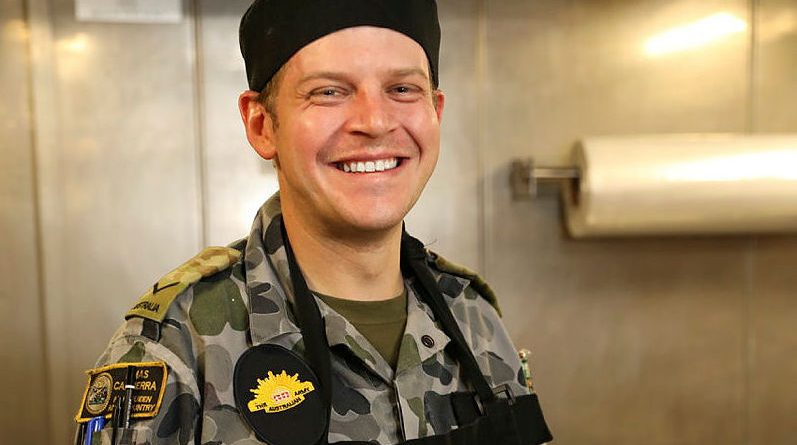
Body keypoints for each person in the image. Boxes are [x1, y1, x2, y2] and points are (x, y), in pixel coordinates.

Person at [74, 1, 552, 444]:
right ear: (262, 125)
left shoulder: (475, 319)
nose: (376, 121)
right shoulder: (175, 349)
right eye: (329, 92)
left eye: (402, 89)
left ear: (435, 112)